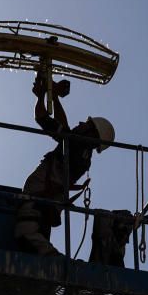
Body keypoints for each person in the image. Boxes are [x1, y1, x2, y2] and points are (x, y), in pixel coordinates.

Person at [15, 75, 115, 256]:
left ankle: (53, 259)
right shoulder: (80, 150)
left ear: (92, 134)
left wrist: (40, 96)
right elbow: (64, 128)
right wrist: (54, 98)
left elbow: (43, 118)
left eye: (87, 124)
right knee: (36, 234)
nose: (81, 123)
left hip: (40, 200)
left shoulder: (76, 146)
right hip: (45, 202)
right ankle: (50, 257)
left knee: (26, 232)